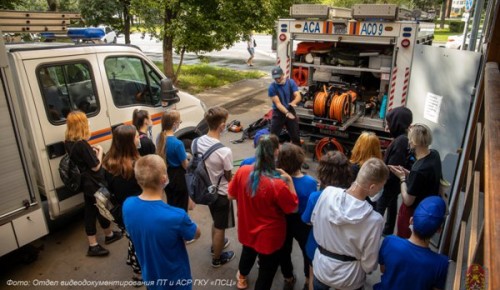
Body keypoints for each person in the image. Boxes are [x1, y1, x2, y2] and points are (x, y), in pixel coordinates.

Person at [228, 134, 298, 290]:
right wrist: (290, 182)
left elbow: (230, 195)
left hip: (247, 229)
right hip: (269, 239)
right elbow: (293, 208)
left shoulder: (242, 171)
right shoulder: (278, 184)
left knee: (247, 254)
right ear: (276, 152)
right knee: (266, 274)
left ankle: (242, 277)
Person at [123, 155, 201, 290]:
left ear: (138, 179)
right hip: (176, 281)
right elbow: (196, 234)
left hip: (150, 277)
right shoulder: (176, 216)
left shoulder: (128, 205)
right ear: (164, 179)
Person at [311, 158, 389, 290]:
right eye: (381, 187)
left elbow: (314, 221)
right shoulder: (375, 220)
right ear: (372, 187)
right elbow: (368, 264)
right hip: (350, 278)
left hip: (321, 267)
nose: (380, 191)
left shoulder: (327, 193)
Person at [64, 111, 122, 257]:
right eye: (86, 121)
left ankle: (107, 236)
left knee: (95, 209)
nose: (88, 122)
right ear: (81, 125)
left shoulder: (69, 142)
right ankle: (94, 245)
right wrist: (100, 150)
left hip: (86, 183)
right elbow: (95, 166)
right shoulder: (82, 144)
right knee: (99, 209)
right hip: (93, 182)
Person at [301, 151, 353, 290]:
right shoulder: (353, 199)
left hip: (317, 246)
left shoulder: (316, 196)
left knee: (314, 278)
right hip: (344, 250)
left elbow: (306, 220)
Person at [374, 196, 449, 290]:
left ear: (411, 220)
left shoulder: (390, 241)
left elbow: (383, 269)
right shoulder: (442, 264)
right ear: (439, 230)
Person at [192, 106, 235, 267]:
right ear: (222, 126)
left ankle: (215, 246)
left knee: (215, 221)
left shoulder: (197, 141)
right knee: (220, 226)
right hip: (221, 194)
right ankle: (217, 258)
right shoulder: (224, 151)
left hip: (206, 190)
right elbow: (228, 175)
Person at [102, 125, 143, 281]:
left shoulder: (108, 163)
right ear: (129, 142)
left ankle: (134, 265)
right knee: (140, 243)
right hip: (138, 212)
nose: (140, 138)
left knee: (133, 238)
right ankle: (138, 273)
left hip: (120, 212)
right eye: (137, 136)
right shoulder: (136, 165)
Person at [389, 123, 442, 239]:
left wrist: (402, 178)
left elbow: (408, 200)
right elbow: (424, 179)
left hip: (413, 213)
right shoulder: (434, 155)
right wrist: (409, 173)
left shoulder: (419, 169)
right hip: (427, 207)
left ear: (414, 142)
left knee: (406, 240)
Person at [278, 143, 318, 290]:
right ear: (300, 161)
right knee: (306, 250)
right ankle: (308, 278)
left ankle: (288, 277)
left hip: (284, 220)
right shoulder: (310, 182)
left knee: (284, 249)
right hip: (303, 221)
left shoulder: (278, 181)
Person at [375, 107, 413, 236]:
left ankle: (373, 232)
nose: (388, 126)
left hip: (391, 182)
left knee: (379, 206)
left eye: (389, 122)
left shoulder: (401, 141)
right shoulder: (403, 138)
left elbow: (394, 166)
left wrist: (383, 181)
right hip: (395, 183)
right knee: (392, 205)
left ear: (397, 123)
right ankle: (388, 230)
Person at [157, 110, 190, 211]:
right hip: (179, 178)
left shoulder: (160, 138)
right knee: (181, 205)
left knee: (171, 202)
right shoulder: (178, 143)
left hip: (167, 174)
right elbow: (185, 165)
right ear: (174, 124)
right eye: (179, 122)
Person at [269, 66, 301, 147]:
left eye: (279, 77)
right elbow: (278, 104)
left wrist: (294, 101)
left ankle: (297, 155)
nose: (277, 80)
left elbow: (298, 95)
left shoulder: (291, 82)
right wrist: (287, 113)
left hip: (290, 109)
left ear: (283, 75)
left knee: (296, 136)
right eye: (275, 78)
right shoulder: (272, 87)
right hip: (278, 113)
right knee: (273, 138)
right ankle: (271, 155)